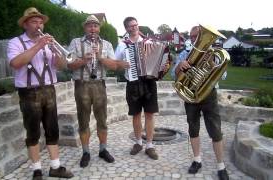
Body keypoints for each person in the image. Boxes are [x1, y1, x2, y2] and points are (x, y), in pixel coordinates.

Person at [7, 7, 73, 180]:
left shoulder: (47, 42)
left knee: (52, 129)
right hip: (28, 92)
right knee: (33, 131)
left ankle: (55, 167)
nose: (39, 25)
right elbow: (15, 63)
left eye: (40, 22)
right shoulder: (16, 42)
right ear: (25, 24)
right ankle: (37, 169)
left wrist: (58, 53)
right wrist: (39, 46)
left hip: (49, 89)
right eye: (34, 22)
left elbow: (59, 66)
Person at [67, 15, 129, 168]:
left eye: (95, 26)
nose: (93, 28)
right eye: (90, 26)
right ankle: (86, 152)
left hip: (99, 85)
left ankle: (103, 150)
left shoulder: (106, 44)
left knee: (102, 119)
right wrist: (84, 60)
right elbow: (69, 66)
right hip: (81, 85)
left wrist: (100, 57)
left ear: (99, 28)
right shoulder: (76, 42)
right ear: (85, 28)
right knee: (83, 120)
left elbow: (114, 66)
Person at [171, 26, 229, 180]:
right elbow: (173, 74)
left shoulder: (214, 53)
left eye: (197, 36)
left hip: (209, 94)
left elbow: (223, 76)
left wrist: (211, 64)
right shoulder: (184, 53)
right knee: (193, 127)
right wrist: (179, 67)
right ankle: (197, 160)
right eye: (192, 36)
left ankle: (221, 165)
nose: (194, 39)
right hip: (190, 95)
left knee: (215, 129)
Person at [115, 17, 160, 160]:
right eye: (130, 26)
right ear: (126, 28)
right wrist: (122, 64)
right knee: (135, 114)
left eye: (135, 25)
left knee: (149, 114)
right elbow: (116, 63)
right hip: (132, 83)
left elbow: (158, 59)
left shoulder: (149, 42)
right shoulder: (123, 45)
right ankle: (139, 142)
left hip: (149, 83)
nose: (134, 28)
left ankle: (150, 145)